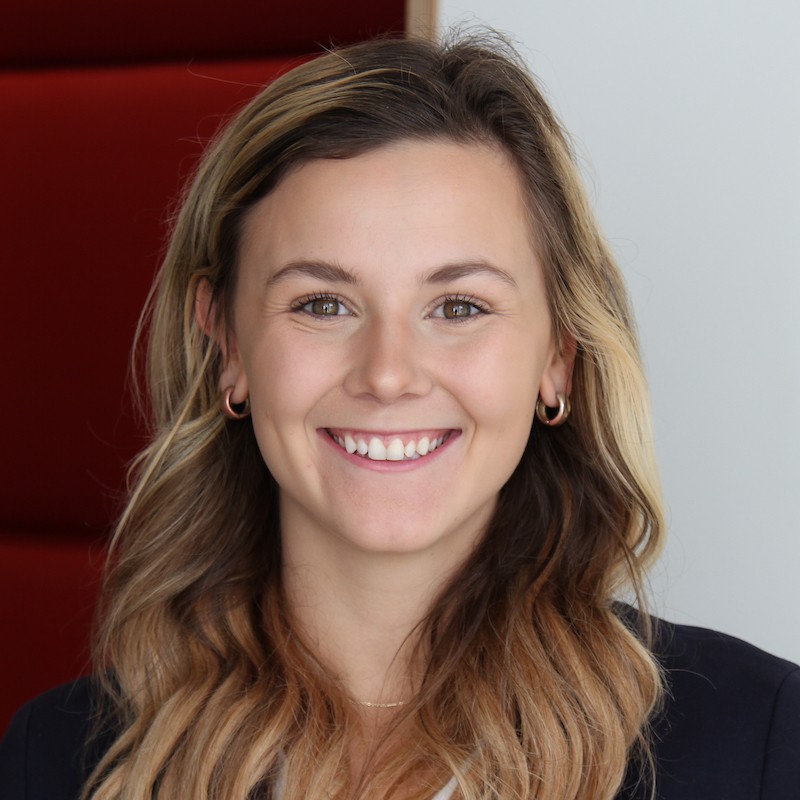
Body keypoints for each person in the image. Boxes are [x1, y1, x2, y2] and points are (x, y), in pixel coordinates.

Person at [1, 34, 798, 800]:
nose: (387, 374)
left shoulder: (764, 743)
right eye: (322, 303)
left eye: (457, 305)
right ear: (227, 345)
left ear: (559, 351)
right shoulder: (54, 760)